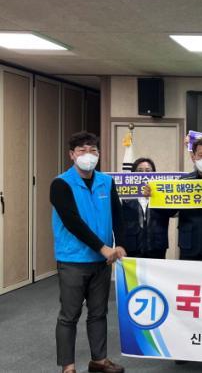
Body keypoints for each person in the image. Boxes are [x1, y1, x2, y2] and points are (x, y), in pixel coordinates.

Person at [50, 131, 126, 373]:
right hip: (73, 259)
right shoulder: (61, 183)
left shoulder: (107, 182)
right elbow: (72, 221)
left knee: (99, 312)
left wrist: (120, 244)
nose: (88, 155)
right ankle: (68, 367)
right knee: (69, 315)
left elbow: (118, 216)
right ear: (72, 155)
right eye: (82, 150)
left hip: (101, 262)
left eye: (93, 150)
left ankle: (99, 361)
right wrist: (103, 248)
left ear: (99, 154)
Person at [121, 157, 169, 259]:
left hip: (157, 247)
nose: (144, 174)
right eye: (139, 171)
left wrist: (156, 196)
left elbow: (172, 213)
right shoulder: (125, 196)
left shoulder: (162, 194)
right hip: (131, 248)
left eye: (148, 171)